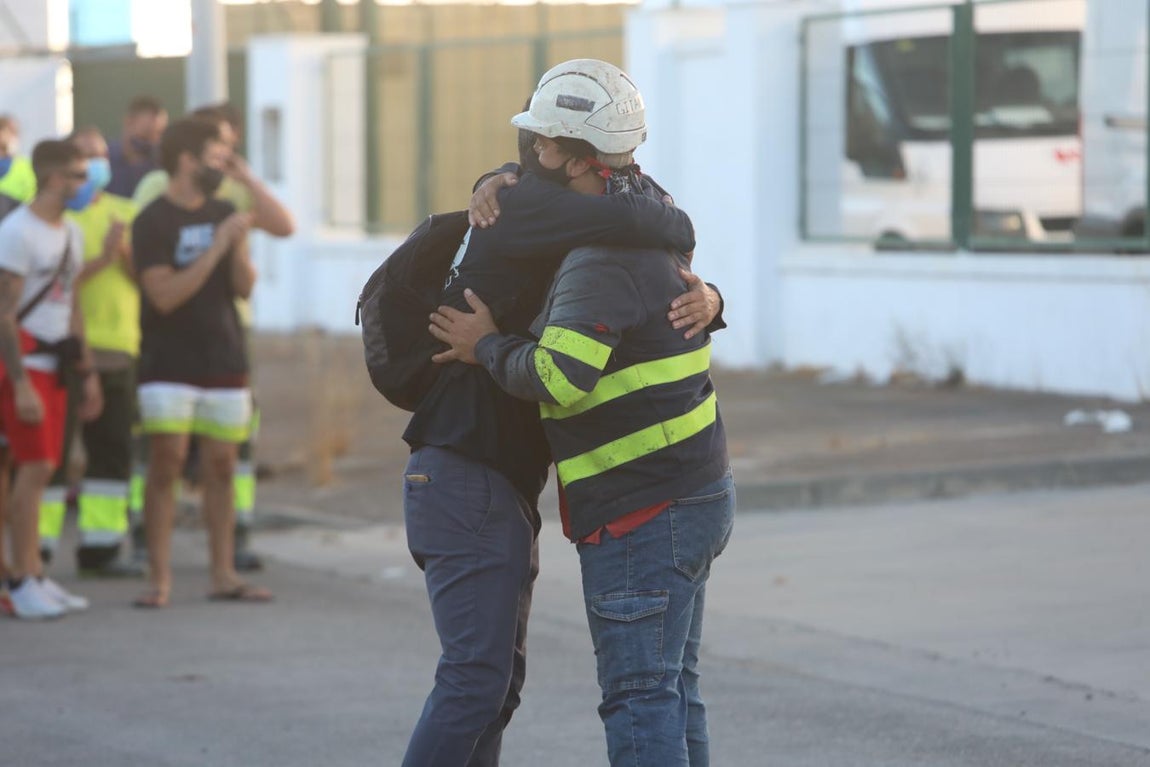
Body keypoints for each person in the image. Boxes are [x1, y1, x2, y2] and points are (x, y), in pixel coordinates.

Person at [398, 60, 712, 766]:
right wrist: (486, 348)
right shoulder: (532, 206)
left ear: (579, 155)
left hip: (497, 482)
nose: (530, 149)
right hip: (464, 471)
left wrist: (711, 297)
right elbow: (656, 226)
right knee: (483, 682)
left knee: (495, 686)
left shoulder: (587, 216)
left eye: (544, 140)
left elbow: (655, 252)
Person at [133, 102, 295, 572]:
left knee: (222, 468)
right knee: (166, 465)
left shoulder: (226, 207)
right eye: (217, 153)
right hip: (167, 362)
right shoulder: (153, 218)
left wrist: (238, 244)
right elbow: (164, 295)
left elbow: (244, 286)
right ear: (187, 159)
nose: (224, 162)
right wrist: (218, 245)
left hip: (224, 356)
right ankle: (158, 579)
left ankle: (223, 574)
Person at [0, 139, 104, 619]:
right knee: (34, 467)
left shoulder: (71, 233)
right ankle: (21, 578)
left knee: (42, 469)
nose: (87, 185)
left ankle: (35, 575)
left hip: (57, 366)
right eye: (80, 176)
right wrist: (19, 382)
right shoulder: (17, 232)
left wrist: (86, 371)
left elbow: (72, 304)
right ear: (54, 177)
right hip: (23, 365)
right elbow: (4, 313)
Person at [58, 126, 144, 576]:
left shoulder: (126, 211)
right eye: (85, 156)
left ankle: (102, 548)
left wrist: (123, 252)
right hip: (67, 350)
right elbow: (55, 285)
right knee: (51, 458)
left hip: (121, 350)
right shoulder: (61, 219)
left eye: (99, 155)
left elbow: (145, 279)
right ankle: (37, 552)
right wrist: (102, 260)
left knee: (112, 453)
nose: (95, 164)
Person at [106, 96, 168, 199]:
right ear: (128, 122)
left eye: (159, 133)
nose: (154, 141)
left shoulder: (161, 167)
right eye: (147, 133)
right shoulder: (105, 159)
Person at [0, 115, 37, 204]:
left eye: (16, 132)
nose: (14, 137)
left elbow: (32, 200)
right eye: (11, 131)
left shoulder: (26, 166)